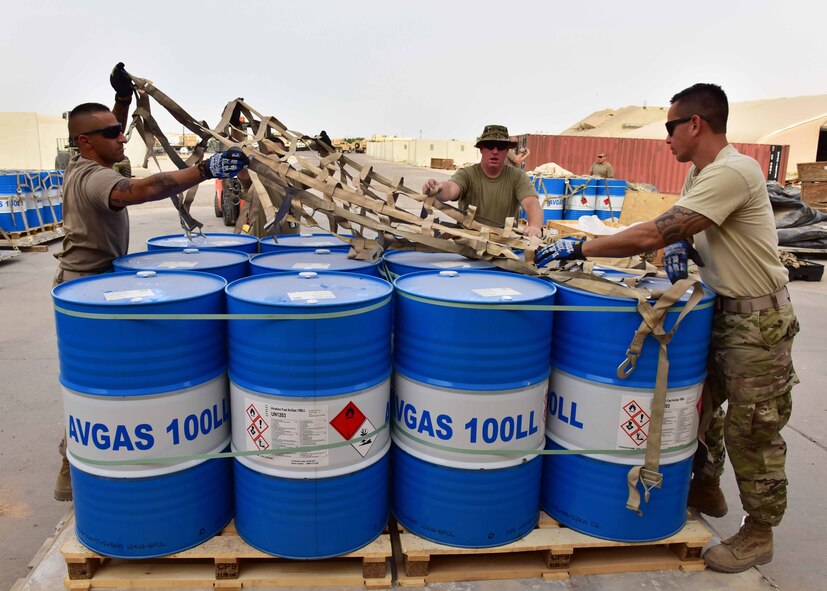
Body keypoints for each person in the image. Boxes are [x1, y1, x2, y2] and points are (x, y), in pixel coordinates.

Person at [536, 83, 798, 573]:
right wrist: (686, 247)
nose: (666, 139)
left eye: (670, 128)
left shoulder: (732, 171)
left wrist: (578, 248)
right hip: (720, 313)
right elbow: (688, 234)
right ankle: (705, 487)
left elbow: (658, 230)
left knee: (754, 430)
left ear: (695, 124)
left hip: (757, 324)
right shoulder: (701, 174)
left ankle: (759, 532)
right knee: (696, 408)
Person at [52, 63, 249, 501]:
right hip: (89, 287)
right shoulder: (94, 177)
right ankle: (76, 471)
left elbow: (110, 135)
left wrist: (121, 99)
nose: (121, 136)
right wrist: (206, 168)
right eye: (110, 133)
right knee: (103, 390)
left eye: (119, 129)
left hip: (100, 281)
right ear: (85, 142)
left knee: (116, 384)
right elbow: (141, 190)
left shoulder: (84, 159)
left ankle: (80, 471)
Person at [422, 124, 543, 237]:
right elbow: (451, 188)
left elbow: (532, 203)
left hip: (505, 245)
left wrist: (534, 226)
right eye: (490, 146)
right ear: (481, 149)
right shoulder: (467, 174)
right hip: (468, 245)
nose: (495, 151)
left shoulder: (518, 177)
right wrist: (437, 188)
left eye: (500, 147)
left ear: (507, 151)